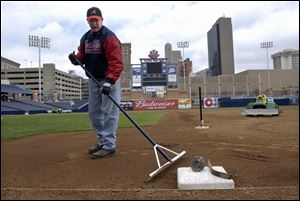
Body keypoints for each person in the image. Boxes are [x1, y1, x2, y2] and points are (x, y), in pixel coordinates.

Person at [68, 6, 123, 159]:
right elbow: (82, 56)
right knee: (94, 113)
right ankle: (102, 141)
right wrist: (75, 59)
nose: (94, 23)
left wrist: (109, 81)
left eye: (96, 20)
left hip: (109, 80)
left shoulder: (109, 37)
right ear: (87, 21)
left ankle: (109, 145)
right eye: (91, 21)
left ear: (101, 20)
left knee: (109, 112)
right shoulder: (86, 38)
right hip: (93, 79)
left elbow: (116, 61)